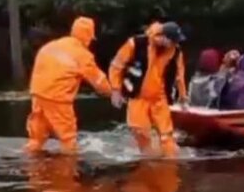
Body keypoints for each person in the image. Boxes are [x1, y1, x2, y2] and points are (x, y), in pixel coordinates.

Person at [25, 16, 113, 154]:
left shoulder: (52, 45)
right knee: (68, 140)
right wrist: (114, 93)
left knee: (36, 139)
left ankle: (32, 170)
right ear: (88, 36)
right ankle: (67, 172)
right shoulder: (82, 55)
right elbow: (99, 81)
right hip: (57, 99)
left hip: (37, 95)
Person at [109, 21, 188, 157]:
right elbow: (117, 66)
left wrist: (183, 97)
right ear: (163, 37)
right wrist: (115, 89)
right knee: (140, 131)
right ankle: (149, 162)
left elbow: (179, 77)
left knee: (166, 136)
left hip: (160, 98)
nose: (175, 44)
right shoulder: (136, 44)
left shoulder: (176, 52)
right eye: (173, 41)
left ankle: (171, 162)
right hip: (138, 96)